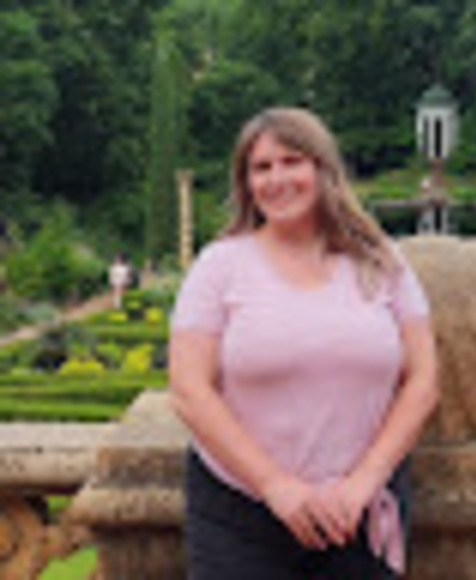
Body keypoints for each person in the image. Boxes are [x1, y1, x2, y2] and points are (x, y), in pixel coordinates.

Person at [169, 107, 438, 579]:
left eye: (292, 162)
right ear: (246, 183)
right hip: (240, 512)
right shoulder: (219, 267)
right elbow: (190, 389)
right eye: (261, 168)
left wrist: (363, 482)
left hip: (356, 511)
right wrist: (275, 485)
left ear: (323, 169)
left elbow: (423, 381)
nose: (277, 179)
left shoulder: (383, 262)